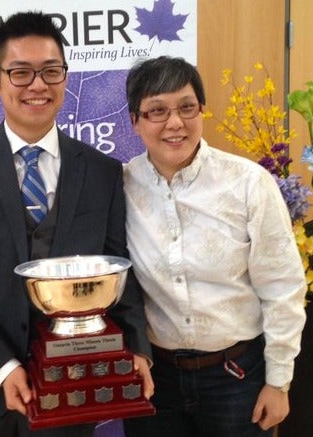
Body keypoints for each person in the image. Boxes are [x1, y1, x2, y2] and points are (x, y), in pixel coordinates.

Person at [0, 11, 153, 437]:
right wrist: (3, 366)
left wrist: (137, 348)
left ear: (65, 77)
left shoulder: (102, 172)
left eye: (50, 71)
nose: (38, 85)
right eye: (21, 73)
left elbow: (122, 267)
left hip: (72, 387)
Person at [122, 56, 307, 437]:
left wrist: (279, 382)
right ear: (135, 121)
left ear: (202, 110)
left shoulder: (248, 184)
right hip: (157, 382)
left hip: (237, 377)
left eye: (187, 107)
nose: (175, 123)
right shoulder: (120, 187)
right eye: (157, 111)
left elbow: (282, 287)